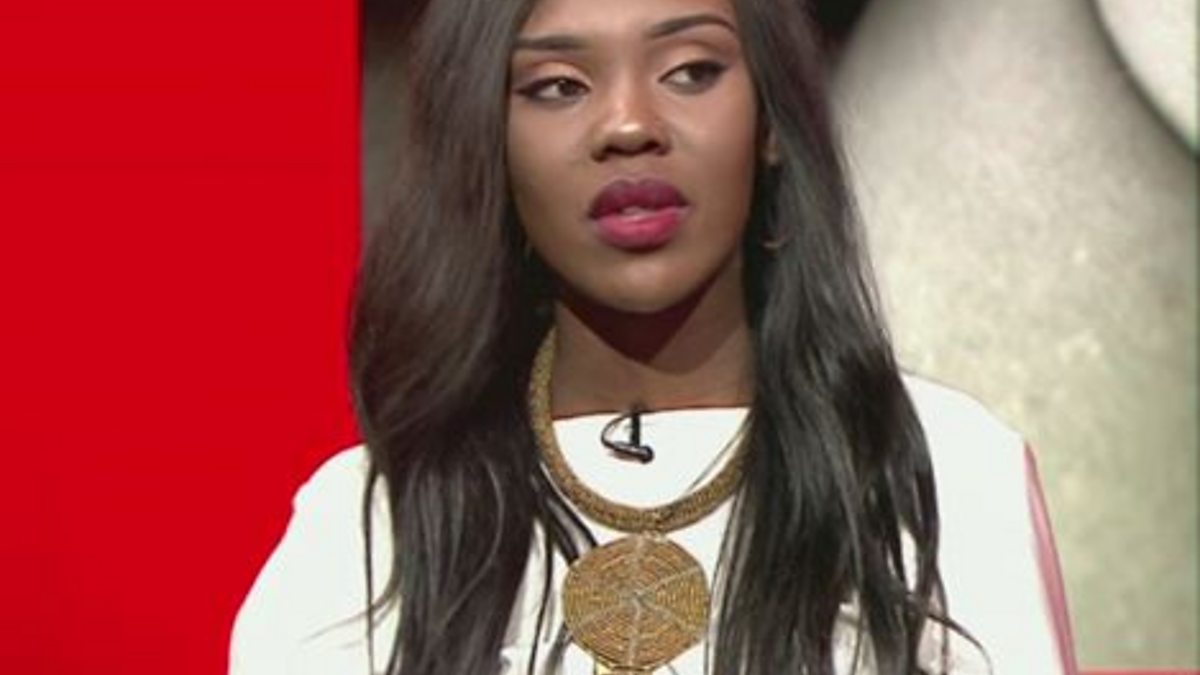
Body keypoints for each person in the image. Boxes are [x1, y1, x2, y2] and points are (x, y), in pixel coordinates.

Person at [230, 0, 1077, 672]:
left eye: (691, 71)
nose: (629, 123)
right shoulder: (367, 524)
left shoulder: (946, 472)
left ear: (772, 122)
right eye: (559, 86)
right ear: (487, 140)